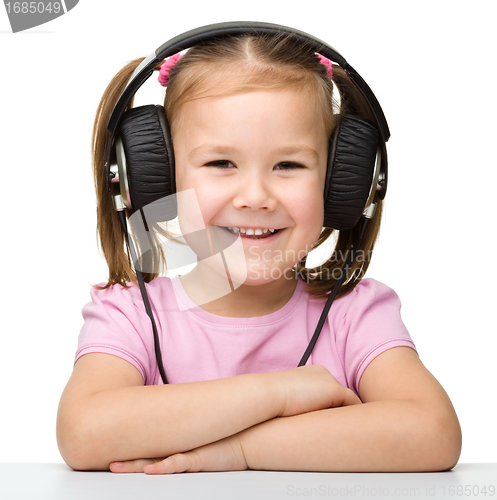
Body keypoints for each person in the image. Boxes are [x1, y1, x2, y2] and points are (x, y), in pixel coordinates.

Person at [56, 23, 462, 474]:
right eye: (220, 163)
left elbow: (433, 434)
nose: (254, 196)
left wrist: (241, 451)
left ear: (340, 185)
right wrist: (281, 392)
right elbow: (83, 433)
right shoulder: (131, 316)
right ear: (157, 180)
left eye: (288, 164)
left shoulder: (355, 316)